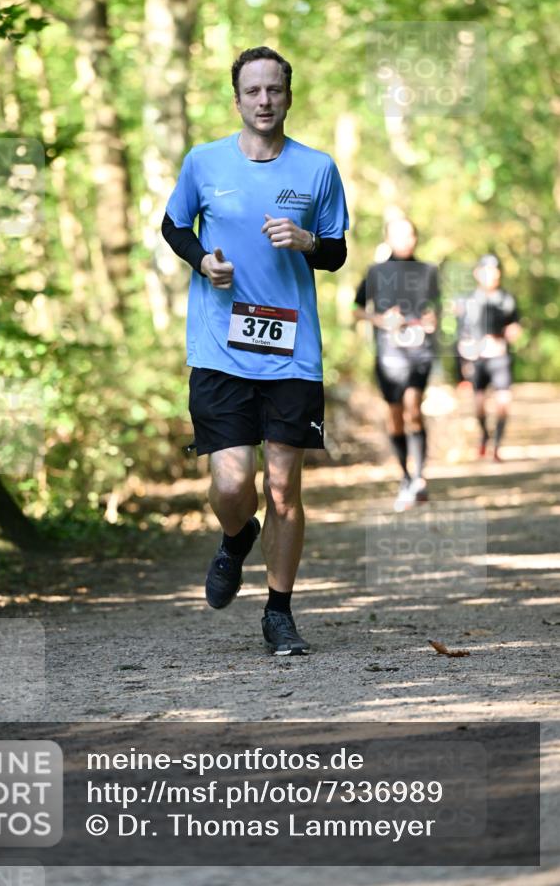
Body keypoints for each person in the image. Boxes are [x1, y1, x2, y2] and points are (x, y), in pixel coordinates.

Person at [162, 46, 349, 655]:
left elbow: (337, 253)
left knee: (283, 489)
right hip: (220, 348)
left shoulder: (317, 168)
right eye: (253, 91)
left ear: (289, 97)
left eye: (274, 90)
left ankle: (279, 612)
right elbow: (173, 226)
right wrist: (202, 261)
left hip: (293, 352)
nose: (264, 100)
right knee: (232, 484)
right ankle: (235, 538)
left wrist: (306, 240)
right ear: (237, 99)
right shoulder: (203, 161)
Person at [354, 217, 439, 512]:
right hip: (388, 354)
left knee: (414, 407)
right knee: (396, 415)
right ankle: (405, 475)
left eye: (410, 234)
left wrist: (432, 320)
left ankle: (420, 476)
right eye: (398, 235)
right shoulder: (376, 272)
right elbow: (356, 311)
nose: (405, 240)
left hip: (420, 352)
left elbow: (437, 309)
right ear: (387, 238)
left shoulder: (429, 271)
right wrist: (380, 320)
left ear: (416, 237)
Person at [455, 254, 521, 461]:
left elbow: (516, 324)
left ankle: (497, 446)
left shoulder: (507, 299)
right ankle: (484, 436)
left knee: (503, 402)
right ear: (477, 273)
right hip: (478, 359)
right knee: (479, 404)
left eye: (495, 270)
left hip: (500, 357)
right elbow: (460, 335)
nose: (491, 275)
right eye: (486, 270)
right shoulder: (467, 300)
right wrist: (464, 361)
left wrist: (512, 332)